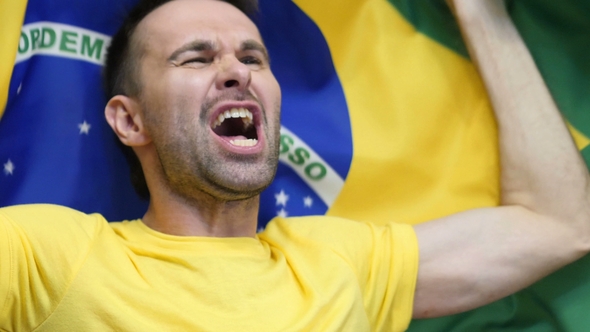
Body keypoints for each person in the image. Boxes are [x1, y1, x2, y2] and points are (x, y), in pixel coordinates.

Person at [1, 0, 588, 330]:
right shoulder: (48, 253)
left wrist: (483, 16)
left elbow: (560, 224)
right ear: (131, 121)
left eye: (253, 56)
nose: (237, 72)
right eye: (195, 58)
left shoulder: (340, 263)